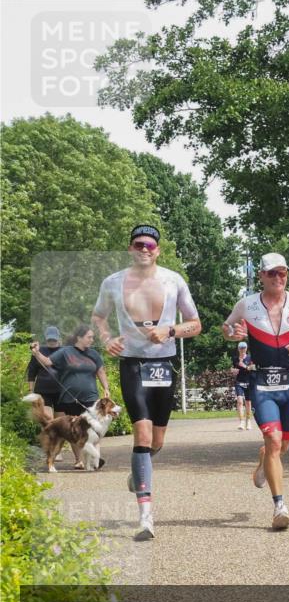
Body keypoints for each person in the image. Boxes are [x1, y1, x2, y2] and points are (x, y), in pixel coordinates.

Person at [92, 224, 202, 541]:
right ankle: (145, 518)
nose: (144, 249)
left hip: (164, 365)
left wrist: (170, 331)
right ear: (130, 248)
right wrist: (107, 338)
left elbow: (195, 324)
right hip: (132, 364)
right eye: (138, 244)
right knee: (141, 432)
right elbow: (98, 317)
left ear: (158, 251)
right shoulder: (113, 283)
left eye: (149, 245)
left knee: (156, 441)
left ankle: (139, 469)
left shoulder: (174, 280)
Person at [222, 252, 289, 530]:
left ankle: (264, 460)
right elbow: (226, 327)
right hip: (262, 381)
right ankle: (280, 507)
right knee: (274, 440)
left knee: (283, 445)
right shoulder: (247, 304)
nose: (278, 277)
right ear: (262, 276)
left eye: (282, 272)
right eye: (272, 273)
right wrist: (231, 333)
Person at [29, 324, 111, 469]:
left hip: (91, 397)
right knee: (76, 431)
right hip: (70, 397)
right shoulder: (65, 352)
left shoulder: (94, 354)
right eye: (89, 337)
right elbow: (47, 362)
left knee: (94, 428)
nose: (92, 340)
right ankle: (79, 460)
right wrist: (36, 353)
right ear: (79, 337)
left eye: (92, 337)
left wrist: (106, 388)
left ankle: (95, 460)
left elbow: (100, 371)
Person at [26, 326, 64, 421]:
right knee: (48, 421)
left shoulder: (64, 351)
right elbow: (32, 372)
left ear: (58, 338)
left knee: (61, 423)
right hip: (43, 391)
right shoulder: (38, 351)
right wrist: (30, 391)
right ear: (46, 338)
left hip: (61, 392)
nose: (52, 341)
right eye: (50, 339)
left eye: (54, 339)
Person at [231, 341, 254, 430]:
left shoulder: (250, 358)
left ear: (246, 348)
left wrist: (244, 366)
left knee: (248, 403)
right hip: (239, 382)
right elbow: (233, 369)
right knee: (240, 401)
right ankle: (241, 422)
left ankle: (249, 421)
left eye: (244, 348)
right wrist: (233, 371)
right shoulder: (235, 359)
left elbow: (253, 368)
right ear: (238, 349)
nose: (242, 349)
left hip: (248, 382)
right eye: (241, 348)